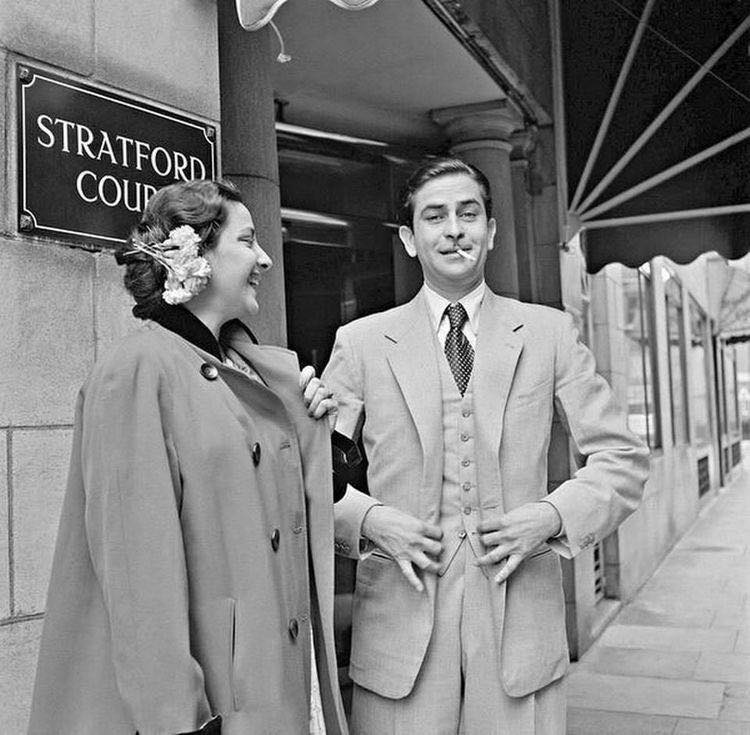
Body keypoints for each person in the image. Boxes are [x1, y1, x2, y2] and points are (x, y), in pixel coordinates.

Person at [324, 158, 649, 734]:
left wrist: (550, 516)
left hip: (519, 615)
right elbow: (306, 472)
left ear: (492, 231)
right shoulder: (361, 343)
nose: (454, 229)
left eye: (468, 214)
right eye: (435, 216)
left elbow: (621, 458)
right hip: (401, 618)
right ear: (409, 239)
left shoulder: (549, 333)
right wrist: (370, 520)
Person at [28, 179, 348, 735]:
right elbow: (137, 580)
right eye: (248, 240)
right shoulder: (136, 371)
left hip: (278, 684)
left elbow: (281, 505)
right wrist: (180, 724)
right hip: (216, 706)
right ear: (192, 254)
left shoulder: (245, 366)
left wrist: (315, 430)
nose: (266, 258)